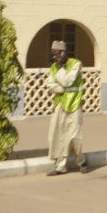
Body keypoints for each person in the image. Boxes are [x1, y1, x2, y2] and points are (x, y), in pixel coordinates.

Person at [46, 40, 87, 175]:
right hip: (60, 104)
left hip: (74, 104)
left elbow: (67, 80)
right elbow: (50, 85)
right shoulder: (53, 67)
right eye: (53, 54)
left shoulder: (75, 64)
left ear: (64, 52)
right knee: (58, 135)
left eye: (57, 54)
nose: (55, 57)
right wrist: (61, 89)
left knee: (75, 135)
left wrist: (61, 71)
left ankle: (81, 161)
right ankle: (60, 167)